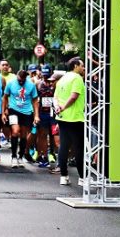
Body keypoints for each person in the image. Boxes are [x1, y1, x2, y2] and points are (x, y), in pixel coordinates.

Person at [54, 58, 86, 186]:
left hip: (62, 117)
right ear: (75, 66)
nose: (84, 68)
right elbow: (74, 96)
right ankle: (83, 177)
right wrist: (64, 107)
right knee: (79, 148)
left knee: (64, 146)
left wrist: (58, 107)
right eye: (82, 66)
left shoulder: (62, 79)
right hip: (75, 117)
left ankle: (64, 176)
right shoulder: (77, 78)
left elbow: (55, 97)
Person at [3, 70, 40, 168]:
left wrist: (36, 115)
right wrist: (4, 112)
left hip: (27, 112)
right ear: (17, 77)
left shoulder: (31, 85)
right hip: (13, 110)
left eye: (22, 80)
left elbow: (35, 100)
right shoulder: (11, 83)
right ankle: (14, 157)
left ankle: (20, 156)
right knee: (15, 131)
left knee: (24, 135)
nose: (20, 82)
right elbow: (5, 97)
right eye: (19, 80)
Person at [36, 67, 59, 168]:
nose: (46, 77)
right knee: (42, 134)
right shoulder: (38, 84)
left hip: (53, 113)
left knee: (55, 135)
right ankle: (44, 156)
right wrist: (36, 114)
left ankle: (54, 155)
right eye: (44, 75)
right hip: (43, 113)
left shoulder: (56, 83)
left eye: (47, 75)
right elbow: (35, 100)